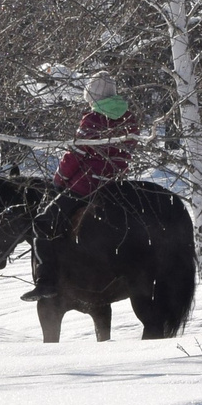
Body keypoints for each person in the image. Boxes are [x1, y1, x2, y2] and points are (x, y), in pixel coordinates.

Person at [19, 71, 139, 301]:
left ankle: (46, 282)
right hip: (114, 185)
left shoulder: (93, 119)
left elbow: (76, 155)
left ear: (93, 96)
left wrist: (59, 180)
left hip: (86, 185)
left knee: (43, 223)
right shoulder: (129, 119)